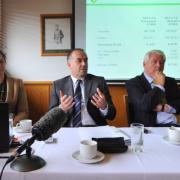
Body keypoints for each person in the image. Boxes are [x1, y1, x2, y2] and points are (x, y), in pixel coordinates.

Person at [49, 48, 116, 127]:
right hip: (69, 129)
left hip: (94, 129)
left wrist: (104, 107)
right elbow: (51, 119)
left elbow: (112, 115)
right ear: (69, 65)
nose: (84, 64)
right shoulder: (58, 85)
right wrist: (61, 109)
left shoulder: (99, 82)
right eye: (79, 61)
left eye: (86, 60)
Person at [126, 50, 180, 127]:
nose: (158, 65)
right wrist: (159, 86)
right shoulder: (133, 83)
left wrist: (164, 108)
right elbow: (144, 105)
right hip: (148, 128)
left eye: (161, 63)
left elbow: (178, 103)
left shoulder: (171, 81)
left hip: (173, 125)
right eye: (154, 62)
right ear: (144, 64)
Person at [0, 50, 29, 125]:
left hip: (11, 127)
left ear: (5, 63)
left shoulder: (17, 83)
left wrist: (11, 123)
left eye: (1, 62)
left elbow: (24, 112)